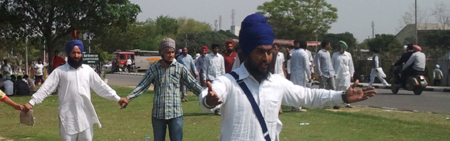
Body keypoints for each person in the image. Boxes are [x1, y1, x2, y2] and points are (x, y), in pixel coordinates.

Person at [199, 14, 376, 141]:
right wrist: (209, 100)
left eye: (269, 52)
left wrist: (343, 96)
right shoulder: (229, 82)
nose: (267, 58)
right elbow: (210, 95)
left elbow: (309, 96)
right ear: (245, 52)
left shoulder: (277, 83)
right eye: (260, 52)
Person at [23, 40, 122, 141]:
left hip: (85, 115)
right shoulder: (60, 71)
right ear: (68, 54)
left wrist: (117, 98)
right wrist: (32, 102)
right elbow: (46, 88)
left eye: (79, 53)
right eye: (73, 53)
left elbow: (101, 86)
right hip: (67, 116)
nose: (76, 55)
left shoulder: (87, 70)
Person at [118, 38, 203, 141]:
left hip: (176, 114)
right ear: (162, 53)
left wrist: (206, 96)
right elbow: (142, 85)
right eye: (168, 52)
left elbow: (193, 84)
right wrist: (129, 98)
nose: (171, 55)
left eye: (172, 52)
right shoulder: (154, 69)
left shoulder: (180, 68)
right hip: (158, 114)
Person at [203, 44, 225, 115]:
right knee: (212, 94)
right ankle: (212, 108)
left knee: (219, 94)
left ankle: (218, 109)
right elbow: (204, 69)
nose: (216, 50)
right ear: (212, 49)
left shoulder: (221, 57)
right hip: (210, 78)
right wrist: (204, 79)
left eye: (217, 48)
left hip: (219, 78)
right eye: (215, 48)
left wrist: (223, 78)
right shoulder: (208, 57)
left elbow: (222, 68)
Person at [332, 41, 355, 108]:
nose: (339, 48)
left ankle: (347, 103)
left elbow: (351, 65)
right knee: (338, 89)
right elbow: (332, 65)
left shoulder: (348, 55)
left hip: (346, 75)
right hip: (337, 75)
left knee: (346, 88)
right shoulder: (335, 55)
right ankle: (337, 104)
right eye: (338, 46)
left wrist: (351, 75)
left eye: (340, 46)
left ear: (343, 47)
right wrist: (333, 74)